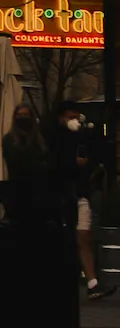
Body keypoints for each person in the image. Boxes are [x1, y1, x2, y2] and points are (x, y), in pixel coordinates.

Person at [52, 103, 116, 302]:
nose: (76, 119)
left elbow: (94, 153)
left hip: (80, 193)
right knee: (70, 239)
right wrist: (74, 163)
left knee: (84, 238)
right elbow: (57, 165)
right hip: (64, 195)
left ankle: (92, 283)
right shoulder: (56, 137)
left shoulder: (80, 137)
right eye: (72, 115)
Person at [1, 102, 50, 186]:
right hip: (17, 186)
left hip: (39, 186)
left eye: (25, 114)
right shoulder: (9, 139)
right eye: (19, 115)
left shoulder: (40, 138)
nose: (22, 118)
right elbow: (15, 163)